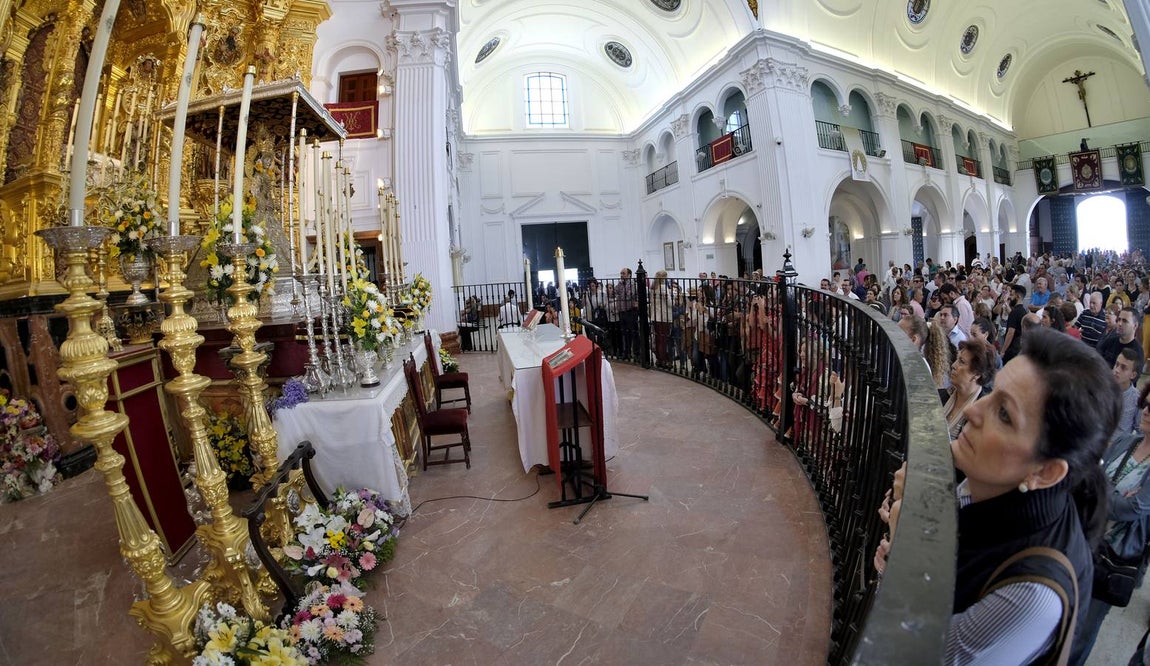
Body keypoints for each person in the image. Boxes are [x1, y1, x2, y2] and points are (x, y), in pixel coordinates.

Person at [946, 328, 1122, 664]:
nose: (972, 412)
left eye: (1004, 414)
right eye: (993, 393)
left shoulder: (1033, 593)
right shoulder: (988, 483)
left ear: (1045, 472)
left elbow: (918, 654)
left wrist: (901, 540)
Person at [1068, 383, 1150, 665]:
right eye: (1147, 404)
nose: (1147, 411)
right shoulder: (1126, 441)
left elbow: (1133, 509)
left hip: (1114, 556)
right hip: (1087, 539)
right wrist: (1112, 492)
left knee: (1084, 629)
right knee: (1066, 613)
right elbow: (1092, 477)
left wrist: (1104, 489)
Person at [943, 338, 997, 441]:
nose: (954, 365)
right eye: (957, 360)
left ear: (976, 374)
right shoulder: (941, 395)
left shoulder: (983, 415)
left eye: (961, 362)